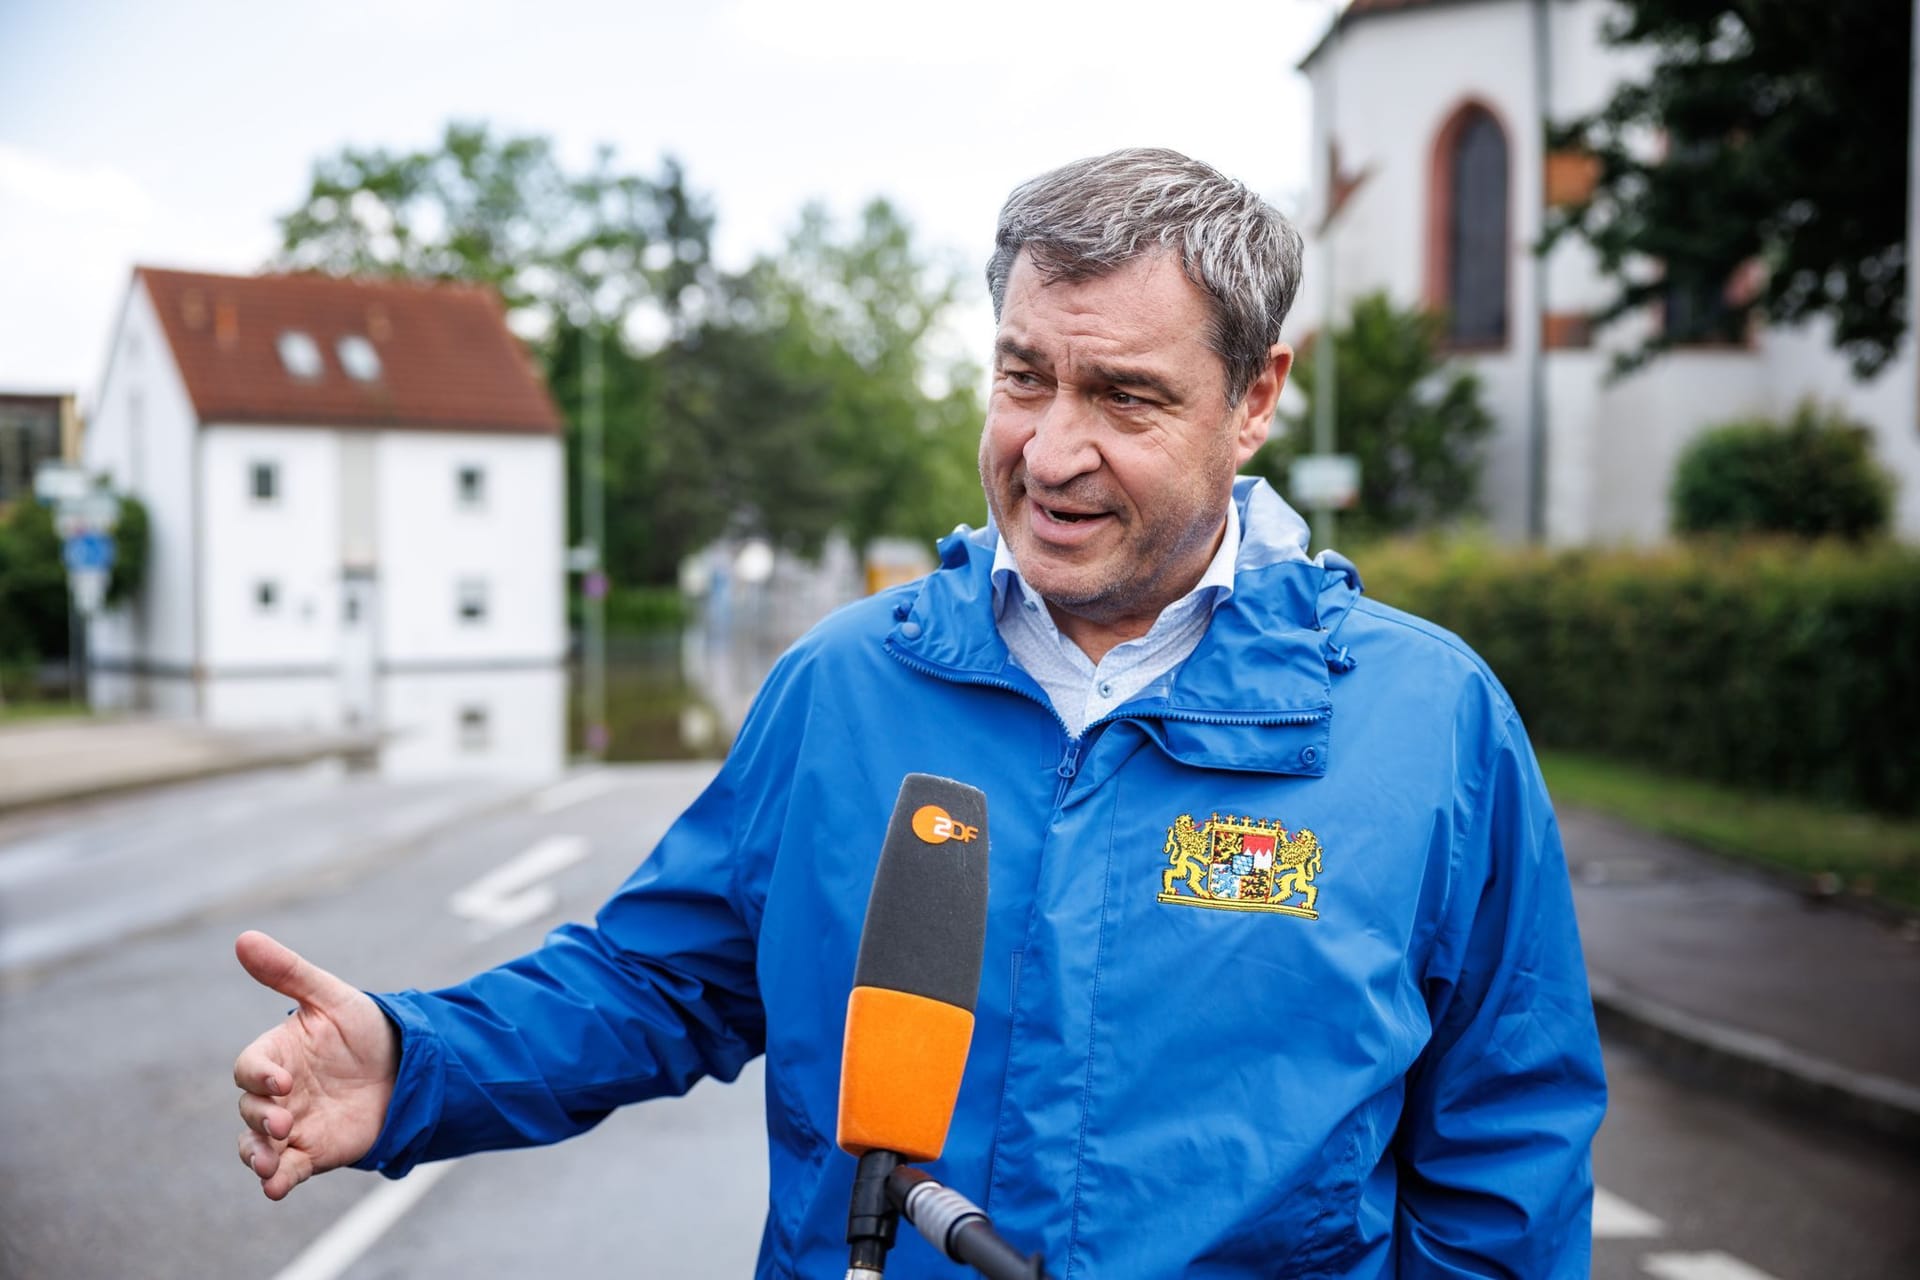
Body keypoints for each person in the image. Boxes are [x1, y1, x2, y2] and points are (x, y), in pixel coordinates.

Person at [234, 148, 1606, 1277]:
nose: (1052, 452)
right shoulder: (847, 685)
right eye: (1025, 377)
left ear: (1255, 401)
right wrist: (418, 1064)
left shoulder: (1428, 727)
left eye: (1125, 396)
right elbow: (663, 979)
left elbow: (1508, 1144)